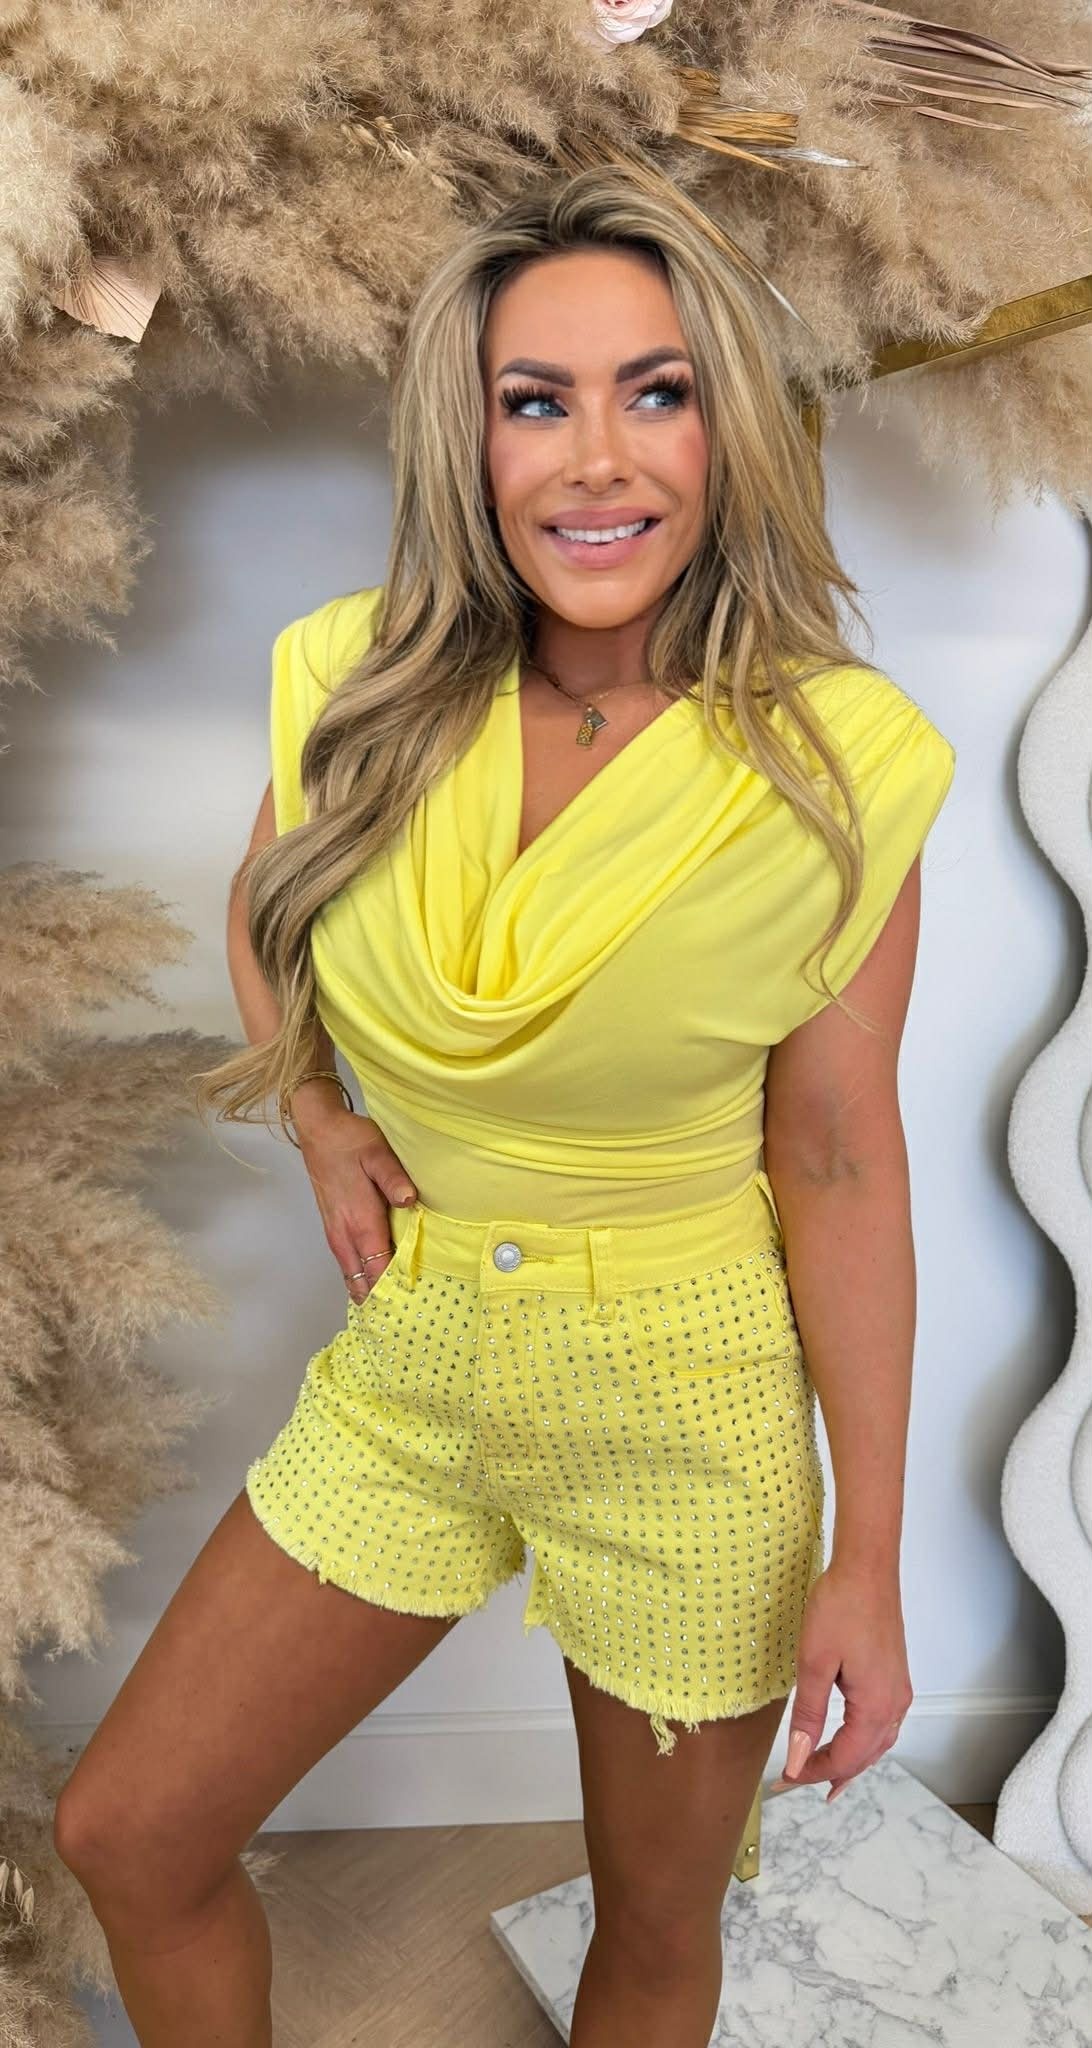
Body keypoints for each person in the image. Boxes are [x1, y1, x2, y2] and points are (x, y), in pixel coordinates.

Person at [52, 167, 956, 2048]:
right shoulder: (358, 687)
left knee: (655, 1932)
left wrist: (867, 1557)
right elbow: (269, 911)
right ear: (467, 442)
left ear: (727, 423)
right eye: (534, 401)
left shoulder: (836, 766)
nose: (594, 459)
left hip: (694, 1405)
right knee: (128, 1832)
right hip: (423, 1361)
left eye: (657, 391)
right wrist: (319, 1119)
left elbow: (840, 1158)